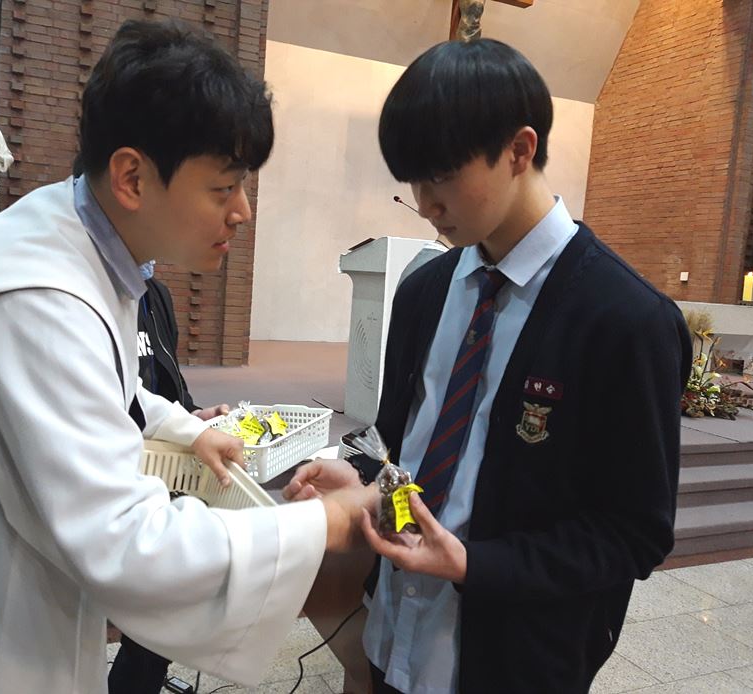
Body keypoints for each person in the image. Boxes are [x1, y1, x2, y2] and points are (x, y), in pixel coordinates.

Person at [0, 20, 376, 694]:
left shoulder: (76, 240)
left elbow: (105, 381)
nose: (242, 212)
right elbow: (125, 543)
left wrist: (186, 429)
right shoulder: (35, 299)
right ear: (131, 176)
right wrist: (319, 525)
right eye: (224, 187)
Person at [284, 39, 691, 694]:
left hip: (513, 659)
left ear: (520, 150)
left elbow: (633, 534)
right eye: (413, 181)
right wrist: (363, 481)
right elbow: (403, 450)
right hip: (391, 633)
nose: (425, 204)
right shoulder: (423, 291)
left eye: (442, 176)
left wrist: (476, 564)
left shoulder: (627, 321)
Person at [108, 265, 229, 694]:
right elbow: (114, 398)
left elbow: (162, 387)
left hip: (166, 471)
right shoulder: (95, 292)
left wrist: (195, 419)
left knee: (163, 612)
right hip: (120, 475)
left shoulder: (155, 296)